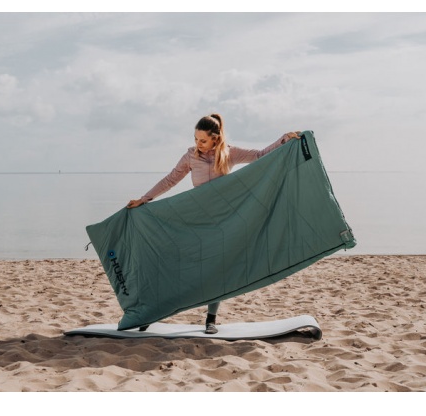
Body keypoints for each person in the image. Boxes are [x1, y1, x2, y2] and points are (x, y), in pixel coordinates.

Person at [127, 113, 300, 334]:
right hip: (196, 218)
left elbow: (259, 155)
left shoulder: (229, 153)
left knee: (217, 268)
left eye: (203, 140)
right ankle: (153, 312)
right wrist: (145, 199)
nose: (197, 144)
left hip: (222, 220)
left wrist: (284, 139)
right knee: (178, 264)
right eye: (195, 139)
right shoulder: (190, 156)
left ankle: (211, 319)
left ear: (215, 139)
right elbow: (171, 180)